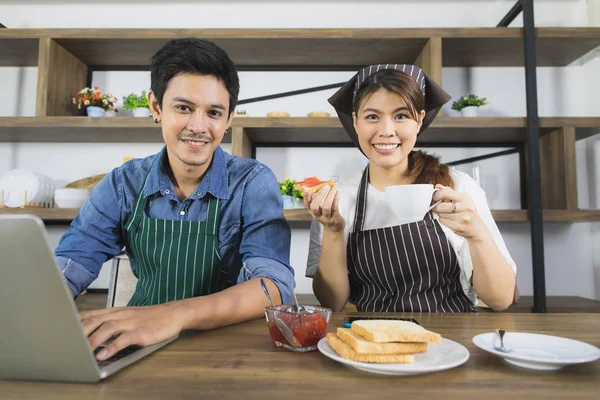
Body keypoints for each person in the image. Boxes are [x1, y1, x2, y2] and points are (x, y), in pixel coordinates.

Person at [54, 38, 294, 360]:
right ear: (156, 107)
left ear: (229, 119)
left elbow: (273, 286)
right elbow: (70, 265)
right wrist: (39, 311)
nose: (198, 126)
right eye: (183, 107)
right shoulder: (123, 184)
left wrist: (172, 315)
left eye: (213, 112)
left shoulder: (252, 182)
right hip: (139, 342)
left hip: (229, 348)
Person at [305, 64, 516, 313]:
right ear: (355, 122)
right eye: (372, 116)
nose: (386, 131)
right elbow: (332, 303)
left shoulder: (458, 188)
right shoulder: (336, 200)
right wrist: (333, 230)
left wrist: (477, 234)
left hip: (452, 341)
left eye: (401, 116)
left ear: (419, 120)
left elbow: (501, 299)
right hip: (372, 339)